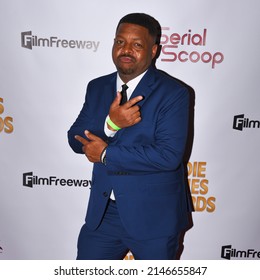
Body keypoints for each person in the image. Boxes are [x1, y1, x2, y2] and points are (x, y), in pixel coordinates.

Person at [68, 13, 191, 260]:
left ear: (154, 50)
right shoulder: (97, 87)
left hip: (154, 217)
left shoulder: (174, 93)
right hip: (104, 215)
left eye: (137, 44)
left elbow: (168, 156)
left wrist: (105, 154)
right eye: (120, 42)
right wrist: (112, 124)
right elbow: (75, 138)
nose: (126, 50)